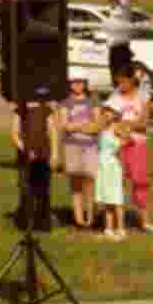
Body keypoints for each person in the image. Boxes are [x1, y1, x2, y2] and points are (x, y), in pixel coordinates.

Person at [109, 66, 153, 232]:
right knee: (117, 182)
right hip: (118, 144)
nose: (120, 85)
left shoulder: (143, 97)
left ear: (131, 80)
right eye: (118, 82)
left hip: (138, 143)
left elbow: (144, 122)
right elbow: (109, 120)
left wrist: (126, 124)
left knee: (140, 181)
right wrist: (120, 127)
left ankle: (144, 221)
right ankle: (115, 220)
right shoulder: (115, 97)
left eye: (123, 81)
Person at [11, 101, 59, 232]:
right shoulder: (19, 110)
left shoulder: (46, 109)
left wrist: (54, 154)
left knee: (43, 190)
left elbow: (52, 132)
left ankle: (43, 223)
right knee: (26, 190)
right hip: (25, 158)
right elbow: (14, 135)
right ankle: (27, 223)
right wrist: (26, 150)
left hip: (44, 156)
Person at [60, 77, 99, 229]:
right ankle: (78, 219)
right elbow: (65, 125)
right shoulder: (65, 102)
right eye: (74, 82)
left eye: (81, 82)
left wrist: (76, 126)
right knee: (75, 183)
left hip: (90, 146)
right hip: (71, 146)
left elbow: (97, 124)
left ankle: (90, 217)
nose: (77, 85)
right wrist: (84, 126)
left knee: (89, 182)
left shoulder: (93, 101)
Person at [95, 100, 131, 241]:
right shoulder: (102, 128)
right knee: (107, 199)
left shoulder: (116, 127)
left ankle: (121, 228)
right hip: (102, 166)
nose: (107, 114)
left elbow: (126, 140)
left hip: (112, 166)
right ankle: (108, 228)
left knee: (116, 199)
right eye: (105, 112)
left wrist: (122, 141)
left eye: (110, 112)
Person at [105, 0, 135, 83]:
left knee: (123, 80)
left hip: (121, 49)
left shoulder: (123, 14)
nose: (112, 4)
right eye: (111, 2)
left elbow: (124, 3)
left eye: (115, 2)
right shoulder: (113, 15)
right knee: (116, 79)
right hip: (114, 50)